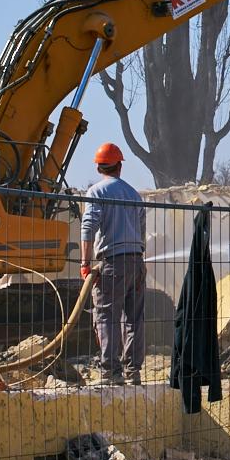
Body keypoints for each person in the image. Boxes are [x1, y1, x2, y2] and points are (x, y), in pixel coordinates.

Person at [80, 142, 147, 386]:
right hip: (136, 263)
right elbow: (141, 233)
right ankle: (133, 373)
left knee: (107, 316)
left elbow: (89, 227)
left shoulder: (96, 191)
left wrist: (85, 263)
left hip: (112, 263)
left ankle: (110, 373)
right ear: (119, 166)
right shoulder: (134, 194)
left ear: (99, 168)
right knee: (134, 319)